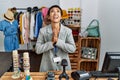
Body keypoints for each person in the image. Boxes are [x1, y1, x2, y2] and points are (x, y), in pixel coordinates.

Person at [35, 5, 76, 72]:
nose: (55, 13)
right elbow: (38, 49)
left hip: (63, 66)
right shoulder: (43, 31)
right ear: (48, 16)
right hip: (47, 65)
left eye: (58, 11)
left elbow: (72, 49)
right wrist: (51, 43)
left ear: (61, 16)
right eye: (52, 11)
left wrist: (58, 42)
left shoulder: (68, 31)